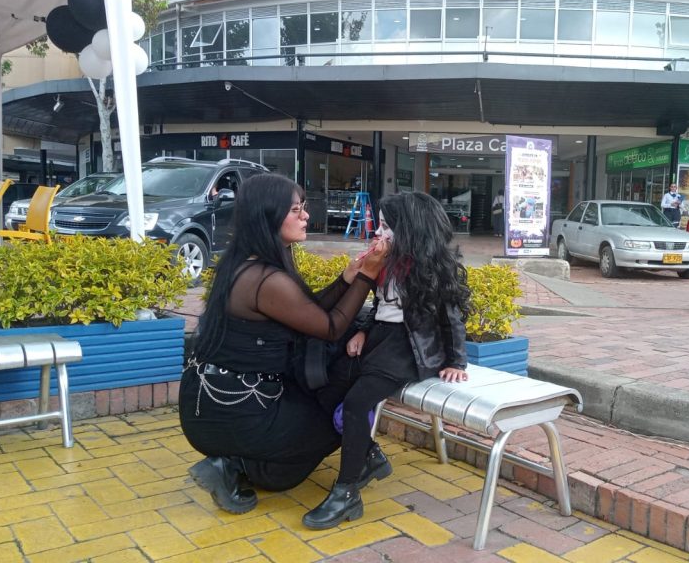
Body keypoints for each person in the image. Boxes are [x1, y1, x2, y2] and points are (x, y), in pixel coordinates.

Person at [179, 173, 389, 515]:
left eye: (303, 207)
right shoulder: (267, 279)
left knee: (280, 479)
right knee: (342, 422)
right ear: (269, 216)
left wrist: (346, 278)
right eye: (296, 210)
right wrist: (368, 275)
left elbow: (305, 313)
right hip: (239, 409)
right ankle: (233, 464)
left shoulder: (242, 265)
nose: (305, 215)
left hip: (209, 402)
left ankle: (234, 463)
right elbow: (331, 328)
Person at [303, 191, 471, 530]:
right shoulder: (384, 263)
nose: (377, 232)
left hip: (406, 350)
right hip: (379, 339)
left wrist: (457, 361)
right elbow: (381, 307)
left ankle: (347, 490)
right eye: (378, 225)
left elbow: (451, 319)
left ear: (408, 229)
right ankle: (369, 455)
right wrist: (362, 331)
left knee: (355, 403)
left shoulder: (429, 268)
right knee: (326, 384)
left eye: (385, 226)